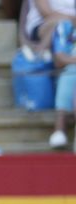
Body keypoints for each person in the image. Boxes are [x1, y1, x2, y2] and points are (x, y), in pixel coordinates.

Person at [55, 17, 76, 150]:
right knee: (71, 73)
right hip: (70, 70)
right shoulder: (66, 27)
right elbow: (59, 59)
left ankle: (60, 126)